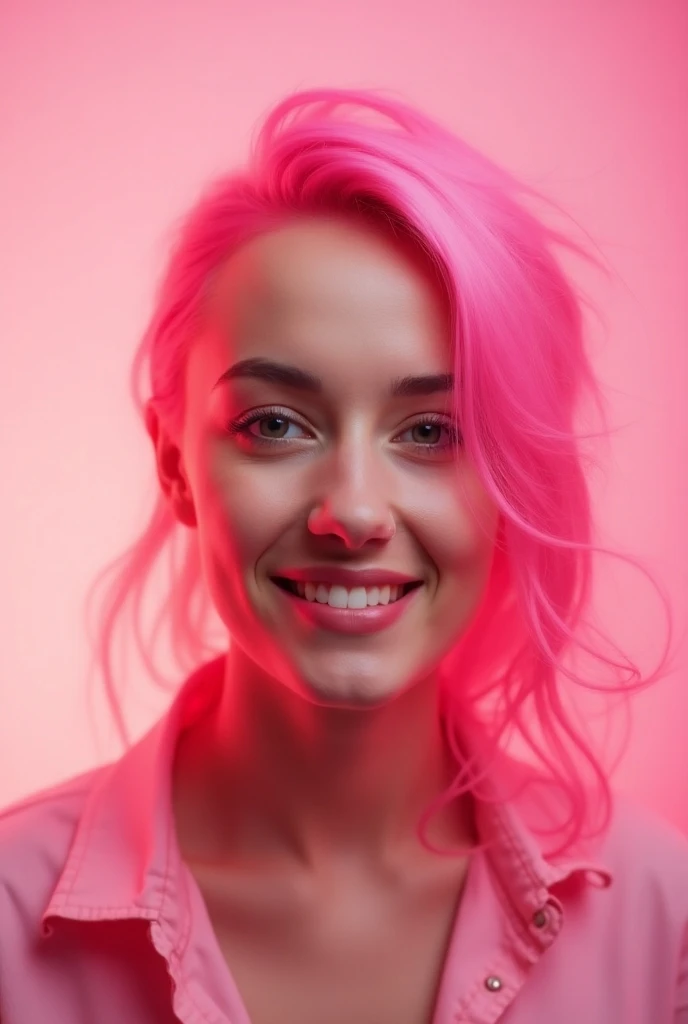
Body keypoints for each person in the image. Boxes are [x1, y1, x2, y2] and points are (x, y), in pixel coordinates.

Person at [0, 87, 686, 1024]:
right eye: (275, 423)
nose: (354, 512)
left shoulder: (662, 925)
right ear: (173, 462)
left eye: (436, 430)